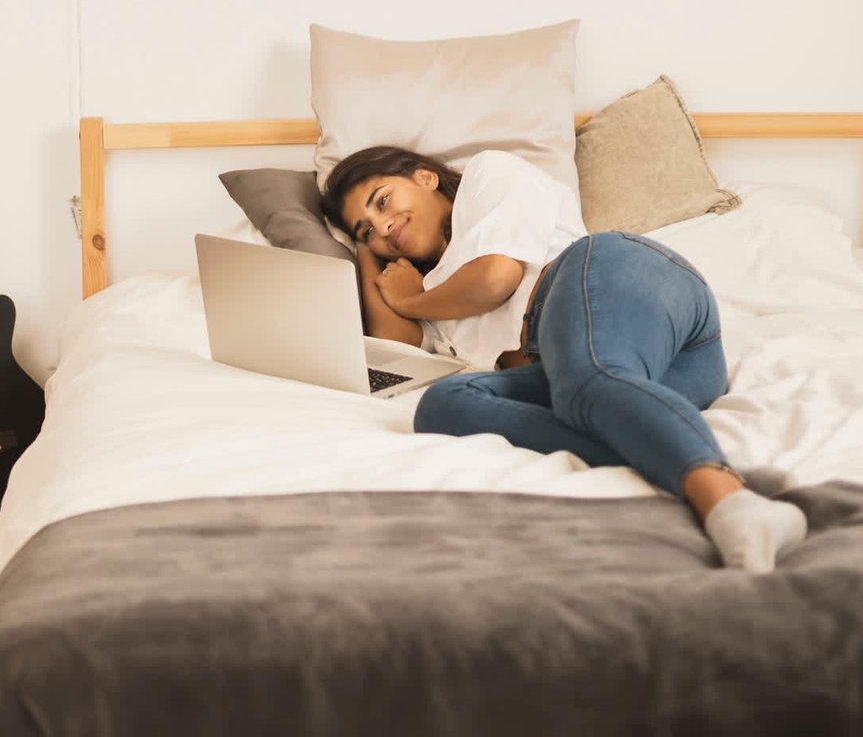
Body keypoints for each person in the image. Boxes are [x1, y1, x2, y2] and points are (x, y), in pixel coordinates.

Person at [322, 145, 809, 572]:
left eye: (383, 201)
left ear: (424, 177)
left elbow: (495, 279)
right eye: (367, 228)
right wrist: (365, 254)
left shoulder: (487, 178)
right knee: (443, 404)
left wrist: (408, 300)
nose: (383, 226)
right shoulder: (430, 290)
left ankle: (730, 501)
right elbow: (396, 347)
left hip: (622, 279)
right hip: (621, 382)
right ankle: (678, 447)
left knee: (587, 382)